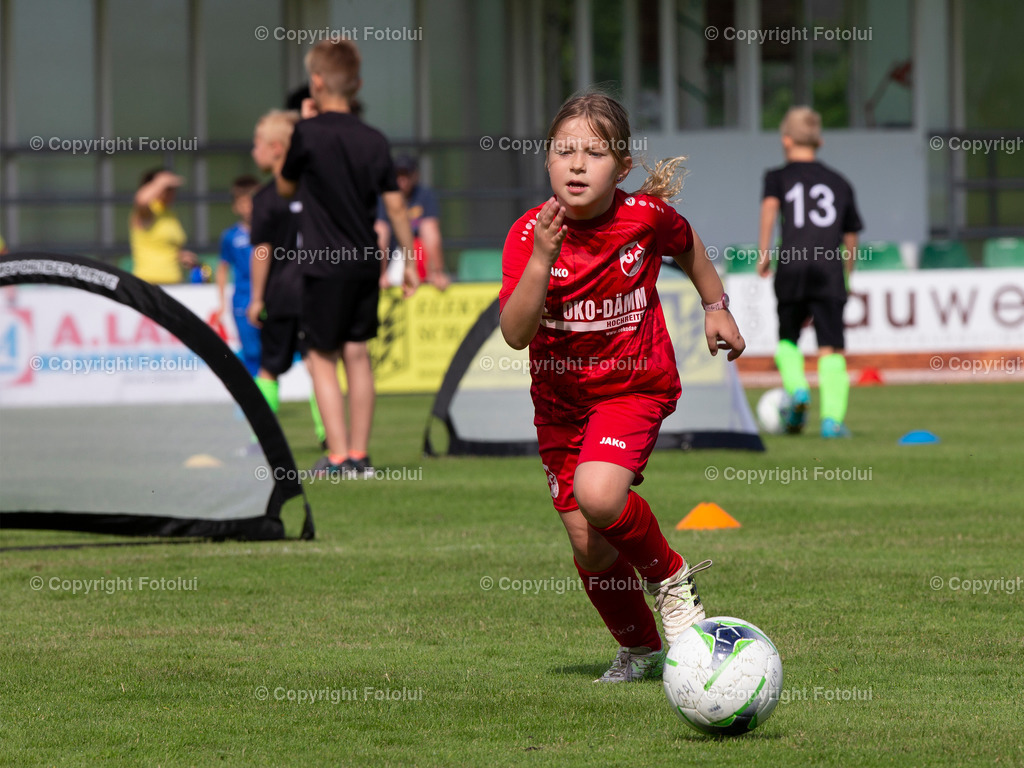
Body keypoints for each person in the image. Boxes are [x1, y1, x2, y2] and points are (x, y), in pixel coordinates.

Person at [499, 93, 745, 682]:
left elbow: (688, 246)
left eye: (594, 153)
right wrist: (541, 261)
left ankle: (671, 577)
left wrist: (716, 306)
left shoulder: (644, 218)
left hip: (633, 386)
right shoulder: (529, 233)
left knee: (600, 494)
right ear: (547, 160)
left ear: (623, 166)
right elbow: (514, 334)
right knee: (590, 546)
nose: (577, 164)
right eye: (564, 151)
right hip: (559, 405)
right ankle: (642, 649)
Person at [277, 39, 419, 478]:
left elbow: (284, 187)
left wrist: (303, 127)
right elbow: (396, 207)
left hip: (323, 263)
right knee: (358, 354)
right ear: (357, 84)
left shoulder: (307, 134)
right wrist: (410, 261)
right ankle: (360, 455)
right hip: (364, 262)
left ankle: (338, 457)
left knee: (322, 357)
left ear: (316, 82)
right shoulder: (374, 140)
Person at [756, 106, 862, 438]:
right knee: (831, 346)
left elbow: (770, 209)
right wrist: (847, 273)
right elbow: (851, 235)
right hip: (829, 268)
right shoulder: (839, 182)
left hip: (792, 264)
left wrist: (764, 253)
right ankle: (832, 422)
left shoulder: (777, 177)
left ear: (786, 140)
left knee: (788, 337)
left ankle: (798, 389)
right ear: (820, 141)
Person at [247, 108, 326, 448]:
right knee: (318, 364)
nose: (254, 151)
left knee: (269, 368)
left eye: (258, 144)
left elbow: (262, 252)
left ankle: (261, 442)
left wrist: (256, 297)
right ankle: (330, 438)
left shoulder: (265, 198)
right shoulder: (316, 191)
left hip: (280, 295)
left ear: (277, 148)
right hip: (315, 290)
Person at [374, 153, 450, 290]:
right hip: (394, 258)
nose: (402, 180)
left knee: (421, 241)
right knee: (381, 234)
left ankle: (434, 274)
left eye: (406, 175)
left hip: (417, 257)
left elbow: (431, 233)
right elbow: (381, 233)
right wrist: (381, 274)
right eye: (398, 175)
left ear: (415, 175)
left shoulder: (424, 195)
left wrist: (437, 271)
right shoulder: (383, 197)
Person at [215, 175, 261, 376]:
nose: (248, 208)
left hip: (270, 299)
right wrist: (221, 302)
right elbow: (222, 268)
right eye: (243, 203)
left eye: (251, 202)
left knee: (273, 354)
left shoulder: (272, 232)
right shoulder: (230, 236)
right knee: (252, 353)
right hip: (243, 301)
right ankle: (254, 394)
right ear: (235, 207)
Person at [130, 169, 197, 284]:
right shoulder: (147, 212)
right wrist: (160, 182)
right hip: (149, 281)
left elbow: (166, 247)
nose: (172, 192)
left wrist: (181, 256)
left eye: (173, 189)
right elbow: (141, 201)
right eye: (168, 189)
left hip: (174, 281)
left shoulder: (170, 213)